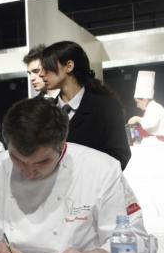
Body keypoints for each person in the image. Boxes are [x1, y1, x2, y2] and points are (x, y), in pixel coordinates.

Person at [0, 97, 147, 253]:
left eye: (42, 162)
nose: (29, 172)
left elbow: (137, 238)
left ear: (62, 144)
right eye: (17, 160)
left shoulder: (102, 169)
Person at [40, 41, 131, 170]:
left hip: (93, 186)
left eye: (47, 67)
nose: (41, 74)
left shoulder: (105, 106)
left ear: (69, 66)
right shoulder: (46, 112)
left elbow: (119, 156)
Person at [127, 70, 164, 143]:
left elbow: (150, 124)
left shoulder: (155, 108)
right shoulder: (150, 108)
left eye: (138, 102)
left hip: (158, 143)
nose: (137, 106)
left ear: (145, 100)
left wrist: (137, 118)